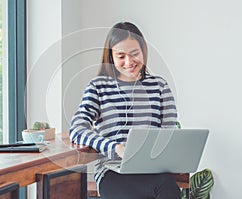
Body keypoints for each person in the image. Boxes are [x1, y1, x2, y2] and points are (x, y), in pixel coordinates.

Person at [69, 22, 181, 199]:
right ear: (111, 57)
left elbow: (169, 131)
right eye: (121, 56)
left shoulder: (159, 86)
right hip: (112, 171)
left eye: (135, 54)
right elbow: (76, 129)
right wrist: (115, 147)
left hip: (151, 170)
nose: (129, 62)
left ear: (143, 51)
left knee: (167, 188)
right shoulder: (98, 87)